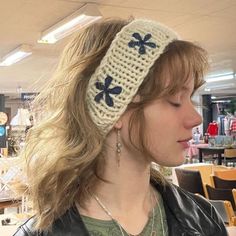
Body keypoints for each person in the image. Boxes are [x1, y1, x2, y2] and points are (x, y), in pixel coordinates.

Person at [13, 18, 227, 236]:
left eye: (190, 98)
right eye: (175, 100)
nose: (195, 118)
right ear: (115, 108)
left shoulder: (202, 219)